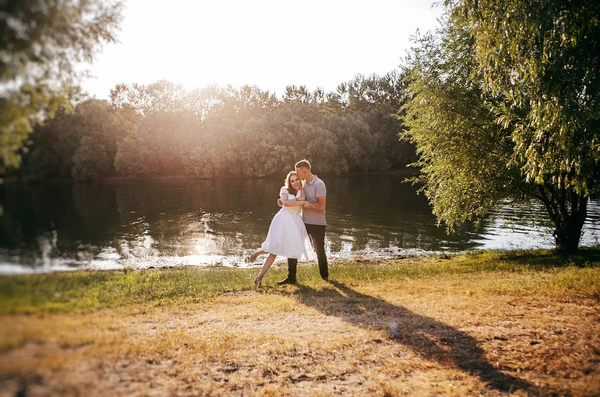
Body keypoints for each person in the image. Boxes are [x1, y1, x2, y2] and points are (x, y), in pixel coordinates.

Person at [249, 171, 316, 287]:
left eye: (296, 180)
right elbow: (285, 202)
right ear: (289, 182)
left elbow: (294, 202)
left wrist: (294, 202)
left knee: (293, 248)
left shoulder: (302, 190)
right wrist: (300, 202)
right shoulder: (284, 190)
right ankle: (259, 271)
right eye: (292, 181)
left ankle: (291, 277)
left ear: (299, 180)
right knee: (274, 249)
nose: (295, 183)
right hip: (283, 220)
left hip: (295, 221)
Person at [278, 159, 328, 284]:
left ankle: (325, 277)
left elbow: (321, 207)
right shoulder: (303, 184)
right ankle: (291, 277)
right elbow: (293, 197)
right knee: (293, 244)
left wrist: (308, 205)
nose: (297, 174)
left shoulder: (319, 184)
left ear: (304, 171)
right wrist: (283, 202)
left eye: (298, 172)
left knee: (319, 250)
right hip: (303, 221)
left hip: (318, 223)